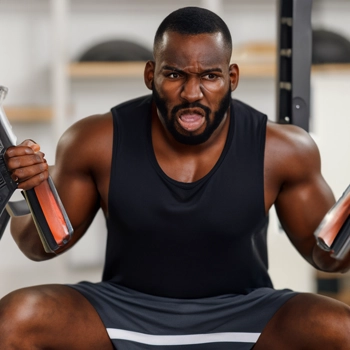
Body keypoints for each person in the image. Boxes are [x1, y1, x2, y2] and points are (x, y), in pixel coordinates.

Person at [0, 6, 349, 350]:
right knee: (15, 318)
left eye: (209, 76)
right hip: (124, 311)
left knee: (342, 329)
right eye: (175, 75)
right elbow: (40, 246)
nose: (192, 93)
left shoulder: (283, 150)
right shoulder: (96, 141)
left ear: (232, 78)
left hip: (245, 312)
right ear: (151, 74)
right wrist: (30, 189)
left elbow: (329, 258)